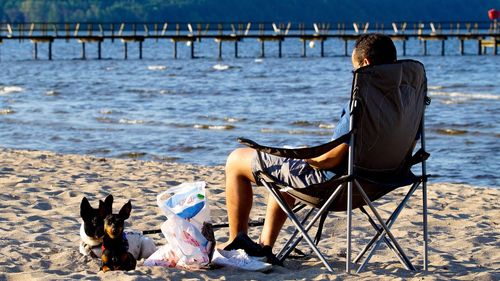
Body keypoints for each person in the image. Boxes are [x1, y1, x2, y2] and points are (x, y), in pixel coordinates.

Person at [222, 34, 398, 264]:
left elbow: (332, 159)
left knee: (236, 160)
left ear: (364, 64)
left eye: (354, 69)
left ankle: (237, 241)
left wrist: (310, 158)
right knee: (284, 173)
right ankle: (264, 247)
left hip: (334, 185)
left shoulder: (362, 102)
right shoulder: (404, 102)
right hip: (379, 183)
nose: (354, 74)